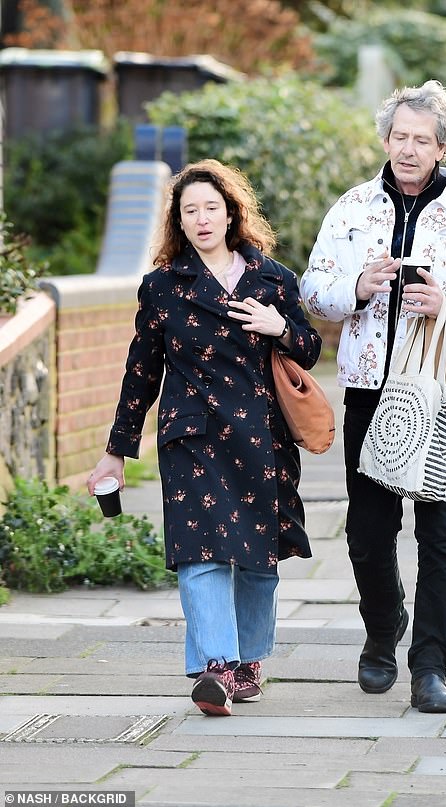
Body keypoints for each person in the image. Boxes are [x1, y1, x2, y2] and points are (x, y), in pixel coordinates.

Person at [300, 80, 446, 713]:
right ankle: (381, 630)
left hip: (441, 390)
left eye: (421, 140)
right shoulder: (351, 209)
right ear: (386, 139)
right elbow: (312, 292)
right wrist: (356, 288)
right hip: (370, 389)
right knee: (368, 532)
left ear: (442, 146)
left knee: (442, 532)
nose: (408, 149)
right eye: (399, 137)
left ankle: (430, 666)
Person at [87, 158, 322, 716]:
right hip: (191, 437)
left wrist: (279, 328)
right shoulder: (163, 287)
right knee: (201, 554)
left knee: (259, 559)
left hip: (262, 438)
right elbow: (141, 372)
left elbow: (310, 349)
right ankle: (217, 666)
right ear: (178, 221)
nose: (201, 218)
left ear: (231, 212)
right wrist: (116, 453)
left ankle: (247, 662)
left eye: (210, 207)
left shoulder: (273, 279)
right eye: (189, 210)